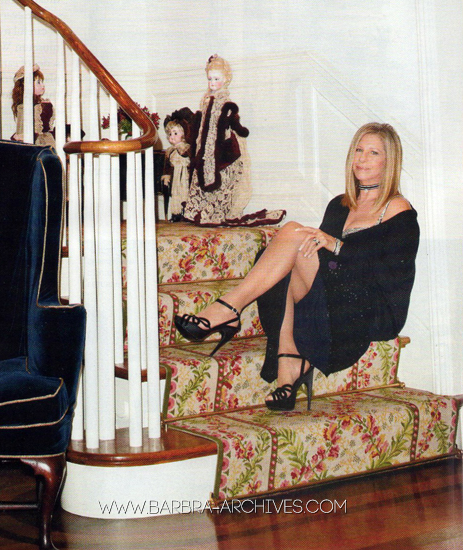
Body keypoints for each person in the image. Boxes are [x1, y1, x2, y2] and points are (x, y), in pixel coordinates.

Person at [175, 123, 419, 412]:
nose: (362, 158)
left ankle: (229, 310)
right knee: (288, 255)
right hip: (331, 296)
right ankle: (289, 365)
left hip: (370, 308)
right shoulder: (339, 205)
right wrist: (326, 246)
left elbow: (385, 275)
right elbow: (321, 260)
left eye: (373, 153)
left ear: (389, 162)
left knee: (293, 233)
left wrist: (336, 245)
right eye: (358, 150)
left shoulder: (399, 210)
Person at [183, 54, 253, 225]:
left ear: (225, 79)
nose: (213, 82)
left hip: (219, 145)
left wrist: (239, 131)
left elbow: (231, 123)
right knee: (201, 175)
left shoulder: (225, 102)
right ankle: (198, 211)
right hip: (205, 144)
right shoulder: (206, 100)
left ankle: (216, 213)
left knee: (220, 177)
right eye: (210, 79)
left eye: (216, 79)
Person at [161, 108, 194, 222]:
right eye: (170, 134)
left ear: (183, 134)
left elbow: (192, 160)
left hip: (186, 177)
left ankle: (188, 213)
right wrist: (166, 176)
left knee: (186, 193)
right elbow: (168, 165)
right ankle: (176, 213)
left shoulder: (187, 148)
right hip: (175, 178)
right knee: (175, 194)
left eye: (175, 133)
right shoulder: (170, 151)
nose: (172, 136)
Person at [11, 64, 55, 146]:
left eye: (42, 82)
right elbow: (21, 127)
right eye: (38, 82)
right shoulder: (24, 107)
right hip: (35, 140)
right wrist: (21, 137)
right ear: (26, 85)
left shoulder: (44, 103)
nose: (43, 85)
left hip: (48, 139)